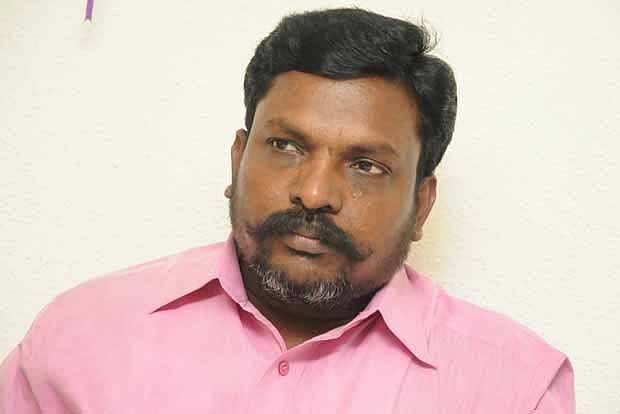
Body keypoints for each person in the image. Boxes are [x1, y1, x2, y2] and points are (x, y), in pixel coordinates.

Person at [0, 7, 575, 413]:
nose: (315, 192)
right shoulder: (79, 338)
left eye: (366, 165)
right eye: (286, 146)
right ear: (237, 161)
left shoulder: (516, 390)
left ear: (421, 205)